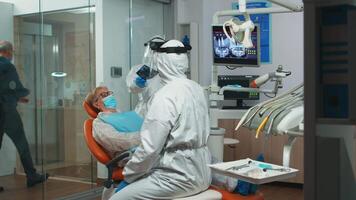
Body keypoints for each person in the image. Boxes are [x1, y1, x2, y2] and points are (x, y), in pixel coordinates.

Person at [109, 39, 212, 199]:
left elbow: (149, 149)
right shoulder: (197, 88)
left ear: (161, 61)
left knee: (117, 198)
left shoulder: (165, 95)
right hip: (202, 173)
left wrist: (128, 177)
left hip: (177, 177)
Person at [0, 40, 49, 188]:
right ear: (8, 52)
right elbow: (15, 87)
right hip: (6, 111)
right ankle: (32, 175)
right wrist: (22, 94)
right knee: (21, 143)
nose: (12, 55)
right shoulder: (8, 66)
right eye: (12, 52)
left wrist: (16, 96)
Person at [85, 86, 141, 158]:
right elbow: (118, 141)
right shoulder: (99, 123)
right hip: (132, 156)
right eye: (104, 95)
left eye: (109, 93)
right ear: (96, 104)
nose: (110, 96)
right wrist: (146, 136)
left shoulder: (122, 114)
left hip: (146, 146)